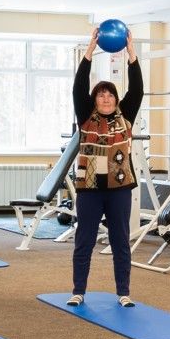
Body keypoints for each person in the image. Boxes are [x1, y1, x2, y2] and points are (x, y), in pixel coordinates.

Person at [66, 38, 143, 306]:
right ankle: (78, 291)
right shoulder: (86, 117)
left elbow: (138, 89)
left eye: (110, 95)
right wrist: (90, 50)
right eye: (101, 95)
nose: (106, 98)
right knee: (84, 240)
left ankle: (123, 292)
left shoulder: (126, 116)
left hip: (119, 189)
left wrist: (132, 53)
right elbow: (78, 86)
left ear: (116, 99)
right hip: (90, 189)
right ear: (94, 99)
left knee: (120, 241)